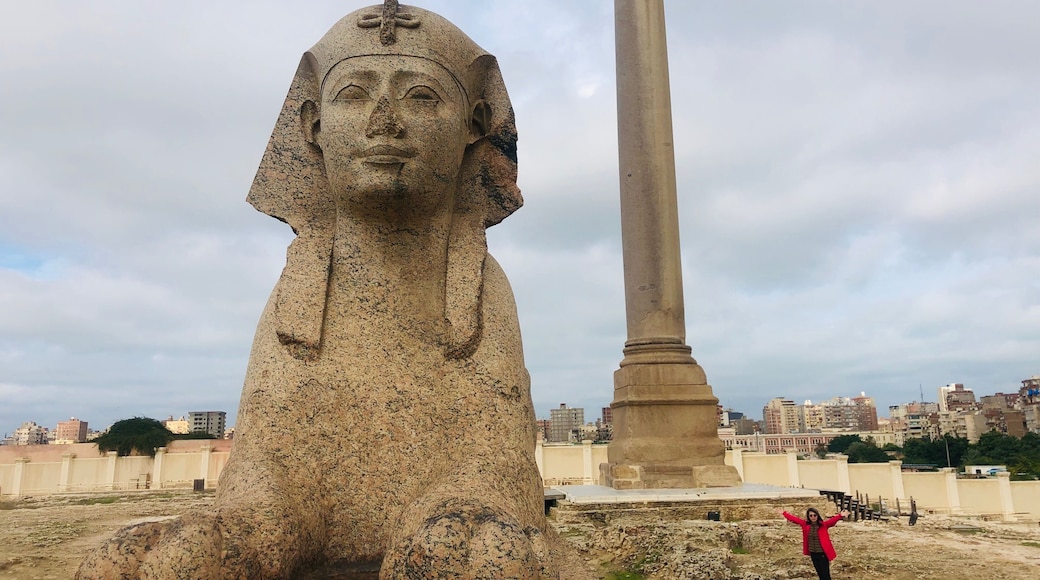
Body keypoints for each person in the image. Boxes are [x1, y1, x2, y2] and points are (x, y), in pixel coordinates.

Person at [781, 507, 850, 580]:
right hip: (813, 553)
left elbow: (832, 521)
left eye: (815, 515)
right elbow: (794, 519)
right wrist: (784, 513)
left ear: (817, 516)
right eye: (811, 515)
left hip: (822, 554)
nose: (813, 517)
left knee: (825, 575)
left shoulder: (823, 525)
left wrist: (840, 515)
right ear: (808, 517)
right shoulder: (805, 525)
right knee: (820, 574)